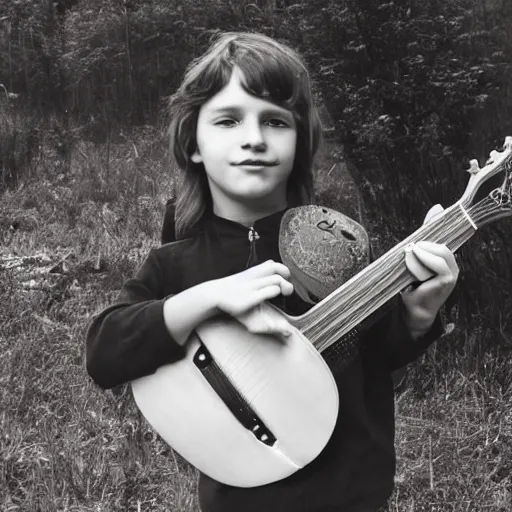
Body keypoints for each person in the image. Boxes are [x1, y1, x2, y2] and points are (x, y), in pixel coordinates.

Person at [86, 32, 459, 512]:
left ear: (299, 142)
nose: (254, 139)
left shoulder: (336, 244)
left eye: (276, 121)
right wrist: (208, 298)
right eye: (227, 120)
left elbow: (376, 355)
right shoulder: (173, 264)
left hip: (352, 497)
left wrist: (417, 316)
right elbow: (103, 352)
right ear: (193, 144)